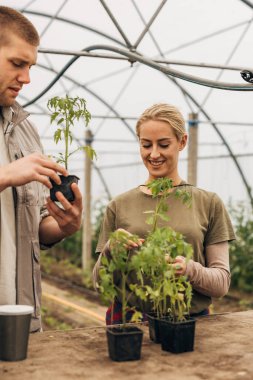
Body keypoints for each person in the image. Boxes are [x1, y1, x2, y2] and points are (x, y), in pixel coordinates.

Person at [93, 103, 236, 324]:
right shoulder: (119, 205)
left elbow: (221, 283)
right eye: (146, 145)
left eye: (164, 144)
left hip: (190, 323)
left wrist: (189, 270)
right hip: (130, 324)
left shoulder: (208, 203)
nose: (154, 154)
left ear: (182, 142)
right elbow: (99, 283)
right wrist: (111, 250)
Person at [0, 6, 83, 332]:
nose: (27, 78)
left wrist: (63, 225)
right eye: (17, 64)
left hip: (16, 314)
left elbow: (34, 227)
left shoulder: (24, 129)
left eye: (31, 66)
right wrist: (5, 175)